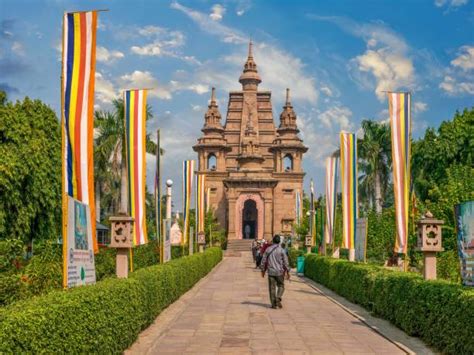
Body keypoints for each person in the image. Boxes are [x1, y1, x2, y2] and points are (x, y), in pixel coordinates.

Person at [260, 235, 290, 309]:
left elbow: (263, 260)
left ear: (273, 241)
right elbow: (286, 262)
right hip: (279, 272)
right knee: (281, 286)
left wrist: (262, 270)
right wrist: (288, 271)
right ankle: (278, 297)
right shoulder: (282, 250)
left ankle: (273, 304)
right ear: (279, 241)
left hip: (271, 272)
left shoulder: (268, 249)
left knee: (272, 288)